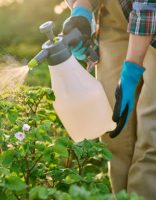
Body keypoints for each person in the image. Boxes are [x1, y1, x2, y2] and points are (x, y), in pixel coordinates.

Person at [63, 0, 156, 199]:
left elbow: (147, 7)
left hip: (150, 12)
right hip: (114, 17)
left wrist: (131, 73)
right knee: (115, 132)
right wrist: (81, 10)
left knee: (152, 134)